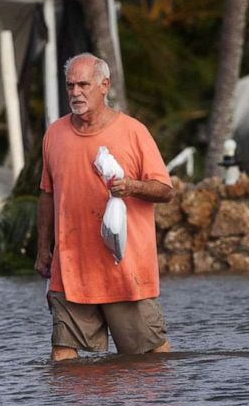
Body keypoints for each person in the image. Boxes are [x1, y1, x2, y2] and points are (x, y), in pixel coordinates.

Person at [36, 52, 175, 361]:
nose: (75, 93)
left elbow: (165, 190)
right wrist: (43, 249)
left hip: (124, 270)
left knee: (152, 361)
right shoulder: (54, 134)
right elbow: (46, 194)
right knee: (62, 359)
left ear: (104, 85)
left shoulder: (133, 132)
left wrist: (133, 186)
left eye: (83, 85)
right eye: (70, 85)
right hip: (70, 268)